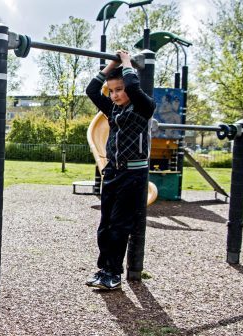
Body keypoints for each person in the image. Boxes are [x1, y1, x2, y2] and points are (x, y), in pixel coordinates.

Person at [84, 50, 156, 290]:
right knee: (105, 226)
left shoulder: (144, 107)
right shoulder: (113, 110)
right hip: (113, 173)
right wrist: (111, 64)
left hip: (132, 177)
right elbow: (92, 91)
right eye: (112, 90)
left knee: (119, 226)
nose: (114, 95)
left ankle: (114, 273)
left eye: (119, 90)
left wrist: (126, 62)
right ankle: (104, 269)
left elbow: (134, 88)